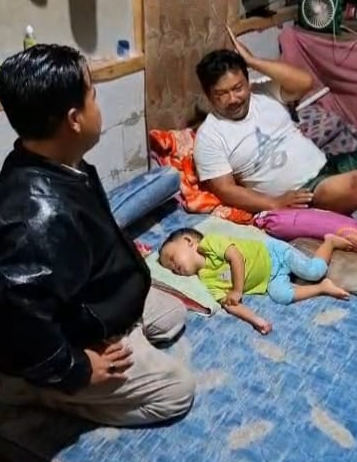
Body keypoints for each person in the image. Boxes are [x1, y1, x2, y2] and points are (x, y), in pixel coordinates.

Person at [0, 44, 194, 427]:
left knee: (172, 314)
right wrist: (76, 367)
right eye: (93, 94)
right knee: (178, 392)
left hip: (93, 301)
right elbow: (19, 318)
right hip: (68, 337)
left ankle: (124, 336)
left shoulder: (56, 160)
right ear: (74, 119)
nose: (97, 103)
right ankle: (34, 389)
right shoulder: (36, 217)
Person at [192, 27, 357, 240]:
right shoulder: (210, 136)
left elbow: (304, 82)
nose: (234, 98)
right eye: (222, 94)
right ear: (208, 94)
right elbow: (226, 190)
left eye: (238, 88)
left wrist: (254, 61)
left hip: (328, 166)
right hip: (307, 192)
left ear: (247, 80)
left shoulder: (263, 92)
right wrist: (273, 203)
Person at [158, 228, 352, 335]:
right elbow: (229, 305)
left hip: (274, 253)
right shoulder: (206, 279)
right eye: (171, 269)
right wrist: (255, 320)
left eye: (172, 258)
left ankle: (330, 241)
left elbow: (236, 257)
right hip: (270, 278)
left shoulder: (210, 243)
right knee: (282, 296)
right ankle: (322, 288)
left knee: (314, 271)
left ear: (188, 241)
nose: (174, 268)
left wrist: (237, 290)